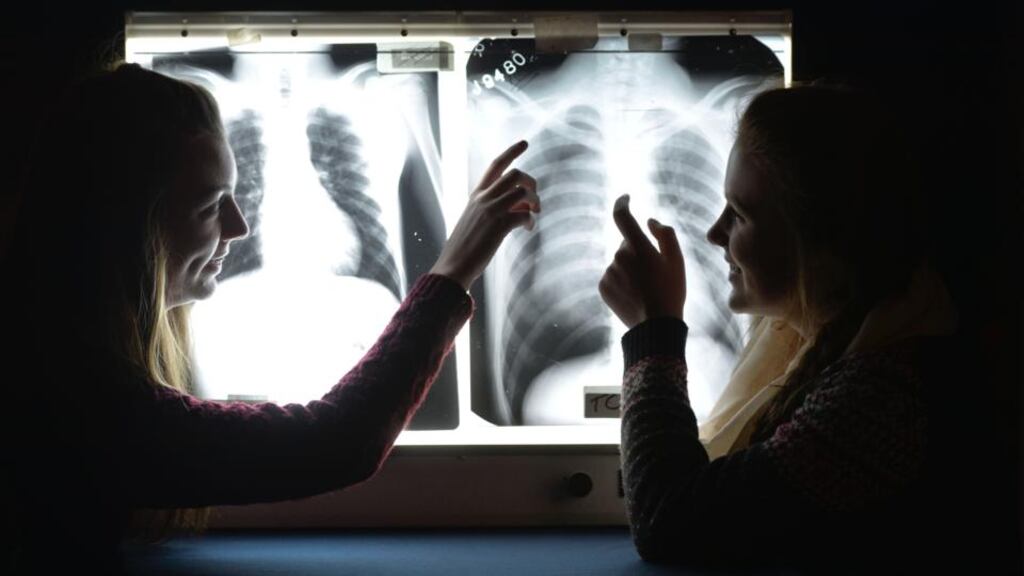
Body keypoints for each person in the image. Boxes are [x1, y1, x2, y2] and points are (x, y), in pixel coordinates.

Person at [3, 63, 538, 573]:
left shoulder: (52, 353)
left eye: (234, 197)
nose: (238, 227)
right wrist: (454, 269)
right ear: (125, 226)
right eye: (210, 205)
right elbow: (335, 443)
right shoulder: (81, 402)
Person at [599, 85, 966, 570]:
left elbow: (669, 522)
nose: (714, 234)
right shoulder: (814, 335)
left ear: (819, 244)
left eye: (739, 214)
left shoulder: (882, 403)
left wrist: (655, 330)